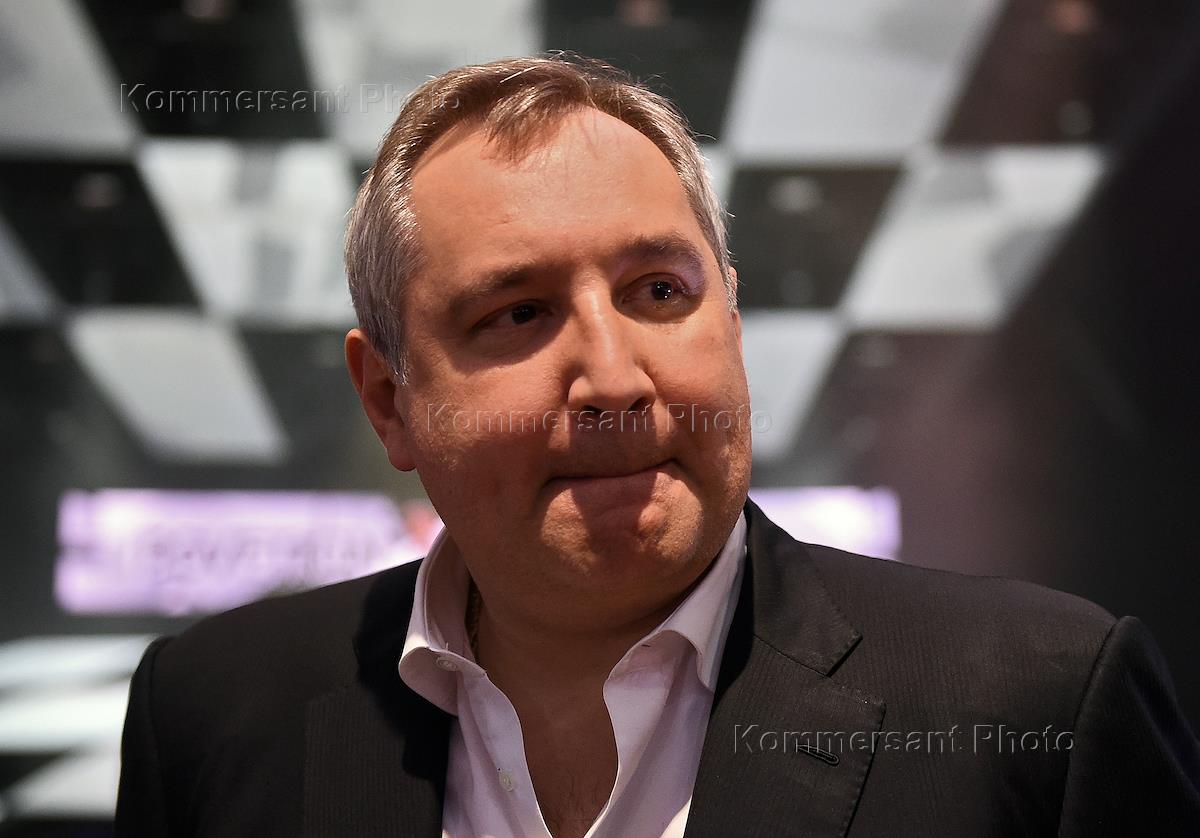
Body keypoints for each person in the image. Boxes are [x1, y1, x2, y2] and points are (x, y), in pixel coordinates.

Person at [115, 55, 1200, 837]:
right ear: (390, 402)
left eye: (660, 292)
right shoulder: (213, 713)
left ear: (732, 319)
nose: (616, 378)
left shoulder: (1036, 703)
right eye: (519, 313)